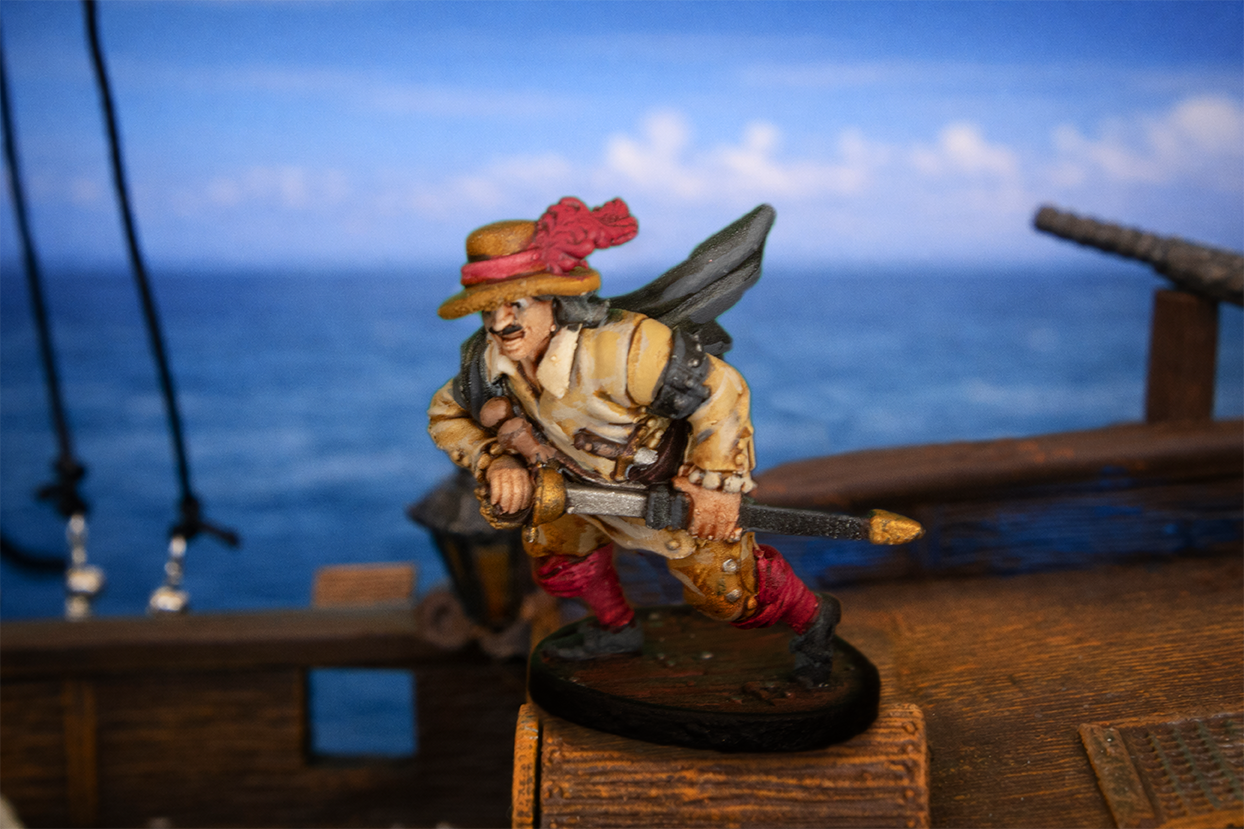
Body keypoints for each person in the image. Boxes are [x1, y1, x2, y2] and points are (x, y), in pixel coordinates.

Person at [427, 197, 839, 685]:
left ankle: (814, 619)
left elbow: (720, 389)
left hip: (668, 494)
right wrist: (495, 460)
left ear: (553, 299)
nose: (501, 324)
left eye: (516, 304)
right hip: (575, 494)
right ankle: (616, 628)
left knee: (728, 594)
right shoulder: (486, 364)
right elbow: (447, 414)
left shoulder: (622, 349)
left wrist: (716, 483)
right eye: (487, 310)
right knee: (560, 559)